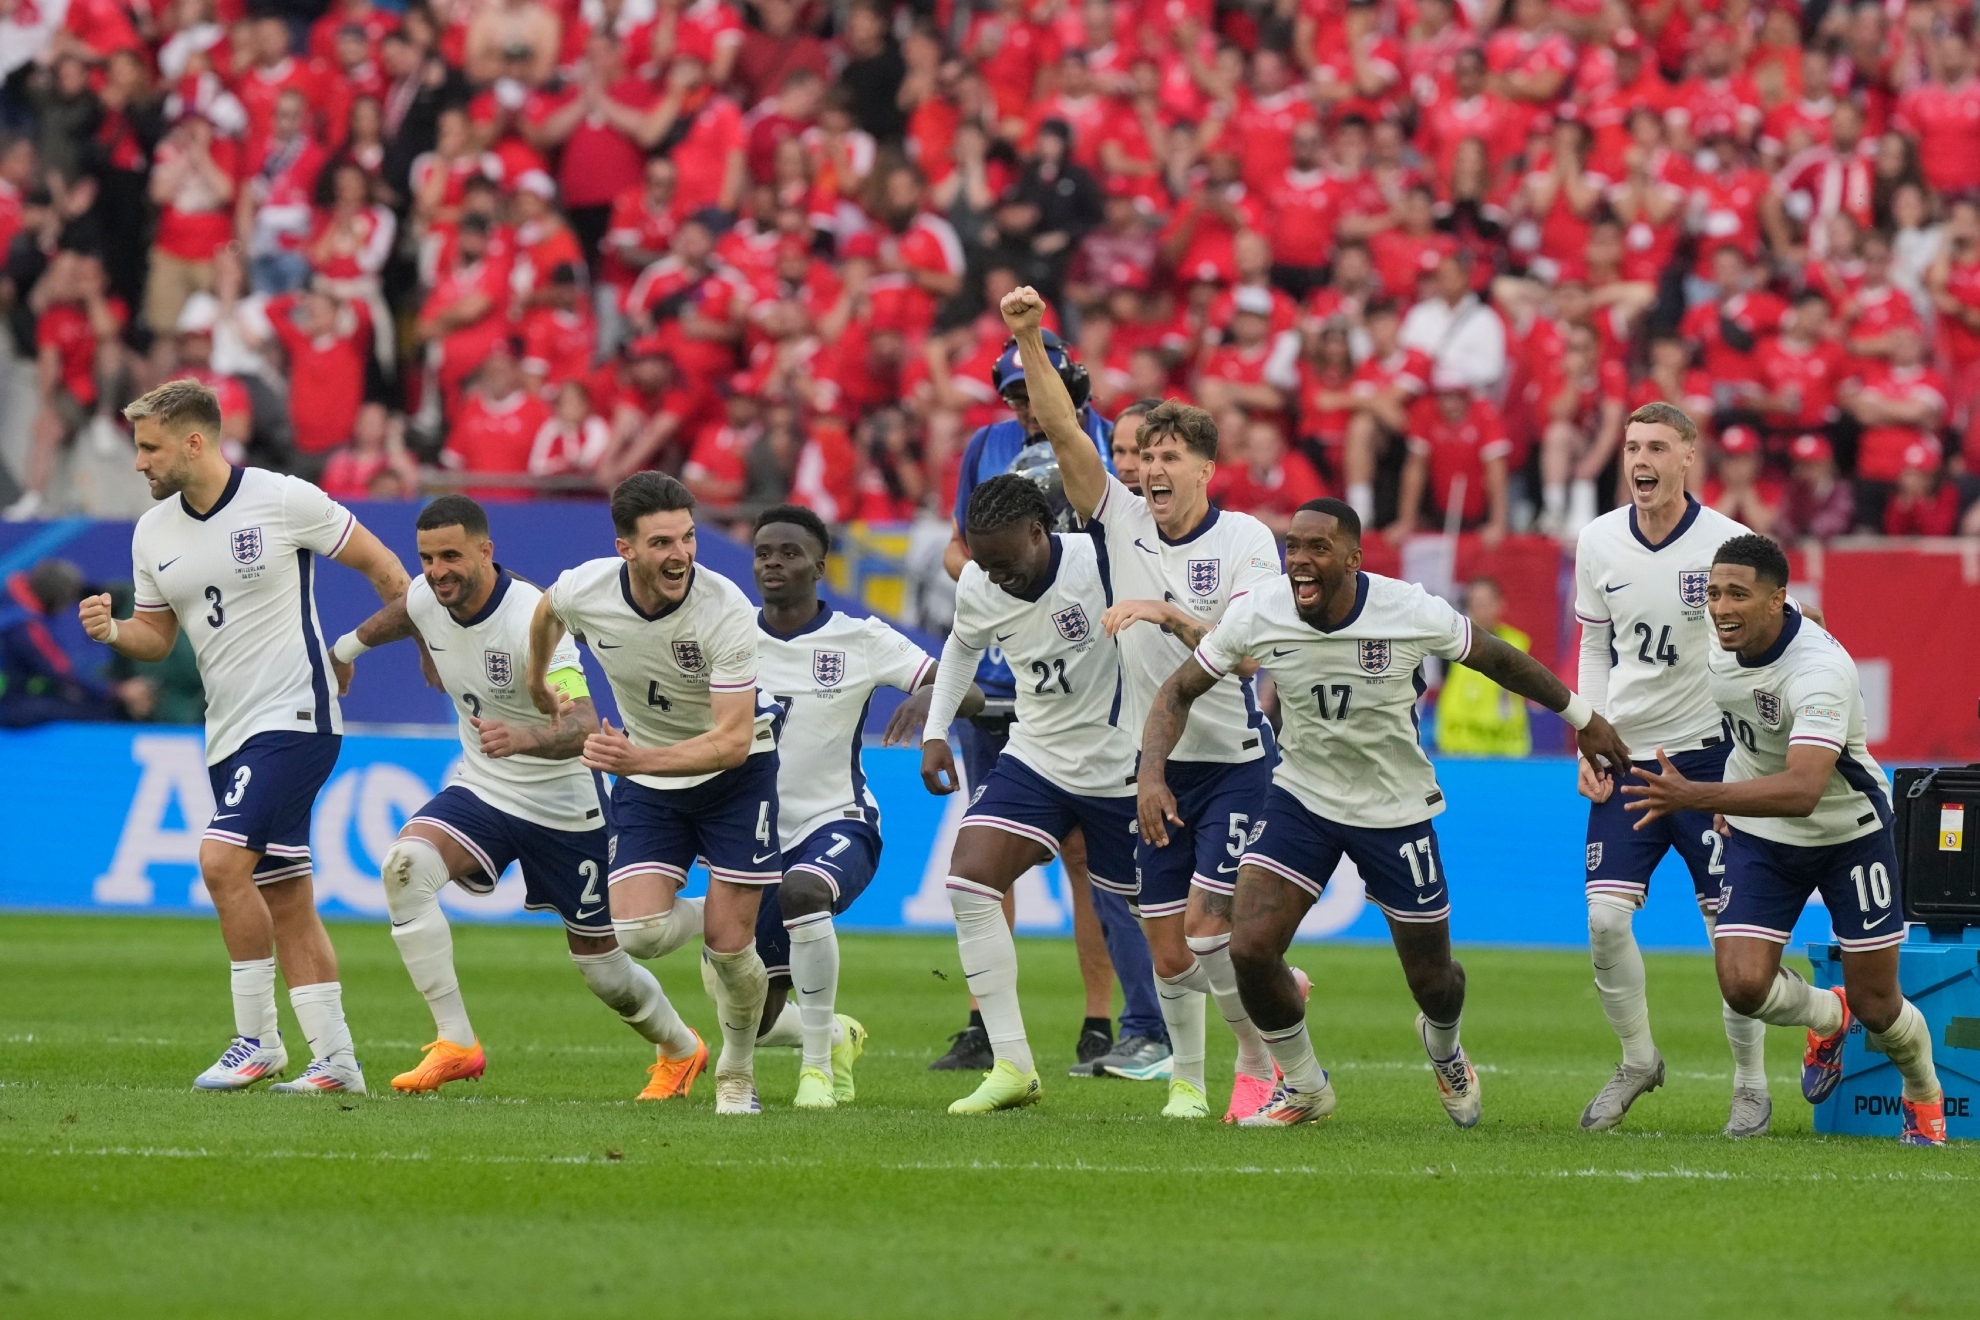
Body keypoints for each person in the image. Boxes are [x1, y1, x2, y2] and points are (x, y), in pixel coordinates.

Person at [1142, 498, 1631, 1126]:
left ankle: (1445, 1047)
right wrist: (1151, 775)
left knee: (1434, 983)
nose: (1300, 562)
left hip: (1394, 805)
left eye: (1318, 549)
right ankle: (1303, 1085)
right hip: (1302, 797)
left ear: (1353, 558)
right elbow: (1179, 689)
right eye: (1293, 547)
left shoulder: (1408, 608)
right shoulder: (1257, 612)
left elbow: (1499, 659)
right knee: (1252, 948)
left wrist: (1583, 720)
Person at [1001, 285, 1290, 1122]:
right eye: (1144, 457)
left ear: (1205, 470)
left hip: (1234, 761)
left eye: (1169, 459)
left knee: (1206, 932)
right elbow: (1061, 429)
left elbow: (1247, 650)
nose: (1150, 471)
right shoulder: (1119, 517)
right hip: (1151, 764)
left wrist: (1164, 611)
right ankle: (1191, 1081)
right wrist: (1030, 338)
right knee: (1170, 953)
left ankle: (1252, 1061)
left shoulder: (1245, 542)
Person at [76, 379, 411, 1094]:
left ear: (194, 442)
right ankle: (337, 1060)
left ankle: (256, 1041)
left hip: (295, 715)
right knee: (287, 893)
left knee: (222, 862)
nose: (138, 463)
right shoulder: (152, 533)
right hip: (226, 732)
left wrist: (369, 650)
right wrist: (114, 630)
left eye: (148, 447)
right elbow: (157, 637)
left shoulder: (285, 499)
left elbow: (387, 570)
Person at [327, 496, 707, 1098]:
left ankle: (682, 1049)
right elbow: (405, 611)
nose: (437, 570)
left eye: (451, 555)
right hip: (483, 788)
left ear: (487, 551)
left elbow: (583, 724)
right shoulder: (429, 595)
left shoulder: (535, 618)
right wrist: (345, 650)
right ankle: (456, 1043)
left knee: (605, 972)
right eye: (426, 558)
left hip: (565, 807)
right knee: (405, 867)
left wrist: (525, 737)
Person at [1623, 534, 1945, 1147]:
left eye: (1738, 595)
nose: (1721, 608)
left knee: (1881, 1006)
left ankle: (1924, 1092)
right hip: (1762, 833)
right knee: (1743, 987)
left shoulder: (1822, 672)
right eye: (1715, 594)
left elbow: (1802, 789)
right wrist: (1733, 794)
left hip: (1848, 831)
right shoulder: (1724, 639)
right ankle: (1829, 1015)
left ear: (1777, 600)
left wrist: (1700, 797)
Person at [929, 326, 1166, 1081]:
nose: (1025, 407)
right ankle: (998, 1043)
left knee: (1112, 885)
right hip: (1024, 711)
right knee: (973, 873)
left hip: (1110, 740)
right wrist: (938, 723)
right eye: (1013, 395)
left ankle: (1127, 1026)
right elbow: (961, 567)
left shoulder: (1101, 511)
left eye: (1035, 391)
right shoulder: (985, 456)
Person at [525, 472, 776, 1116]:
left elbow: (733, 741)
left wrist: (639, 759)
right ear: (625, 549)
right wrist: (541, 679)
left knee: (728, 948)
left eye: (688, 538)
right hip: (648, 773)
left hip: (735, 777)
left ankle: (737, 1073)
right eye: (662, 541)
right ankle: (734, 903)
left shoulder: (724, 611)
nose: (682, 555)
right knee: (636, 932)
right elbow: (546, 612)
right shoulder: (587, 588)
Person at [1570, 400, 1778, 1137]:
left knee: (1733, 934)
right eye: (1631, 447)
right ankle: (1637, 1059)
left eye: (1656, 446)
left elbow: (1763, 654)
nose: (1640, 461)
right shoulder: (1596, 541)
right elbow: (1597, 649)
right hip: (1627, 753)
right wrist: (1591, 738)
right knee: (1602, 919)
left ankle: (1751, 1086)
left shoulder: (1730, 543)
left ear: (1689, 456)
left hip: (1711, 756)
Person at [916, 474, 1140, 1114]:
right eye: (982, 563)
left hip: (1119, 762)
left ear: (1041, 532)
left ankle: (1244, 1022)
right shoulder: (982, 582)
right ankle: (1013, 1064)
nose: (993, 576)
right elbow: (961, 648)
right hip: (1038, 756)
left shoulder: (1098, 562)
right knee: (969, 880)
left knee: (1177, 935)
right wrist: (937, 732)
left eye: (1005, 562)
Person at [747, 504, 980, 1107]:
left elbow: (971, 689)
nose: (774, 562)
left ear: (820, 566)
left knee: (804, 892)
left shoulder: (860, 638)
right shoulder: (730, 635)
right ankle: (836, 1033)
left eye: (790, 552)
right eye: (764, 552)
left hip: (838, 820)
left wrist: (932, 694)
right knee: (753, 1013)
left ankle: (817, 1071)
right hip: (753, 834)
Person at [0, 559, 152, 727]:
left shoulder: (9, 607)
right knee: (99, 712)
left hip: (11, 697)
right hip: (10, 706)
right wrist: (118, 691)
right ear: (58, 597)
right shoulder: (26, 628)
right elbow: (64, 673)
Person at [1433, 577, 1531, 757]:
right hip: (1459, 749)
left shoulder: (1518, 643)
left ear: (1501, 604)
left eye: (1487, 602)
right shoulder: (1450, 643)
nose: (1482, 608)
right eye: (1476, 602)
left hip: (1506, 748)